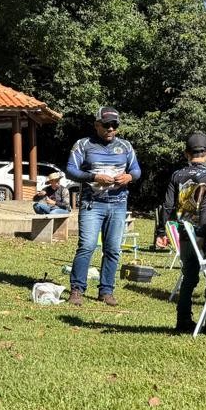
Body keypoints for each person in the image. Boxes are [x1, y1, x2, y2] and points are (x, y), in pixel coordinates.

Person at [65, 107, 141, 307]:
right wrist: (94, 176)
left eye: (114, 125)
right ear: (97, 125)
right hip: (92, 204)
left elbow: (136, 170)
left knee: (113, 249)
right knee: (87, 246)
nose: (111, 129)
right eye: (106, 125)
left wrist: (129, 177)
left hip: (118, 204)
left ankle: (106, 291)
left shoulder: (125, 146)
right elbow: (70, 170)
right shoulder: (83, 144)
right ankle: (77, 290)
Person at [155, 132, 206, 334]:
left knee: (189, 276)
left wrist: (162, 231)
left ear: (186, 153)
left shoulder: (177, 175)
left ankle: (183, 320)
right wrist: (204, 236)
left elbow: (168, 205)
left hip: (185, 231)